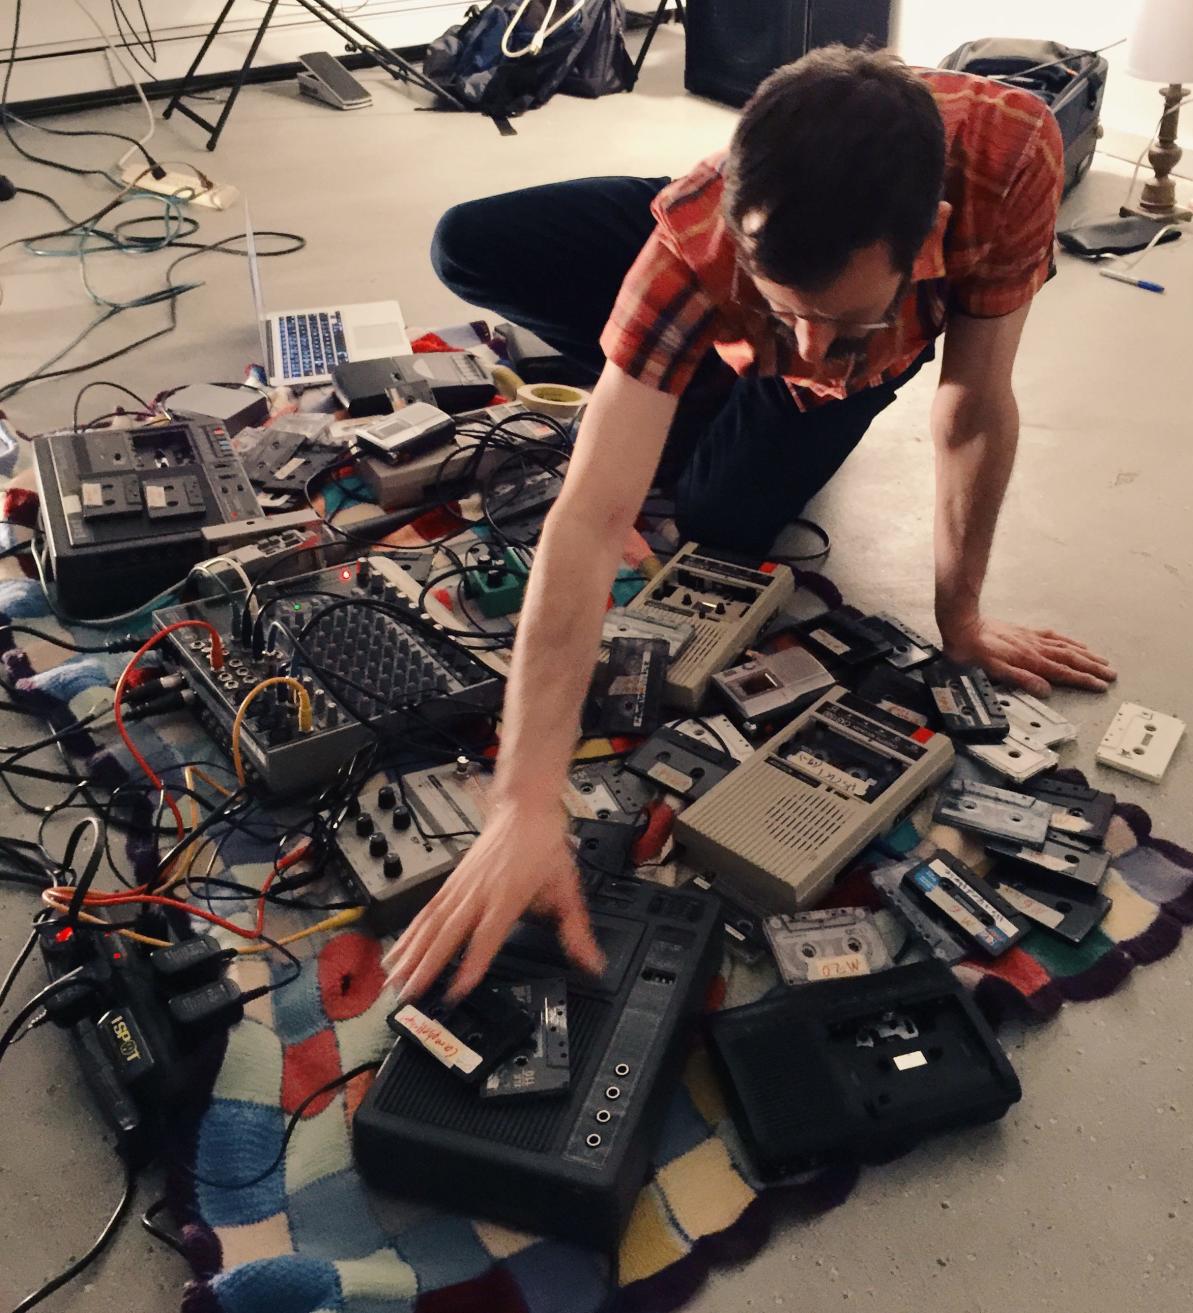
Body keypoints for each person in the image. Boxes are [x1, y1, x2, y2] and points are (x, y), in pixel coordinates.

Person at [384, 46, 1116, 1002]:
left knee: (717, 520)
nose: (808, 354)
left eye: (840, 325)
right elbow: (590, 518)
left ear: (928, 238)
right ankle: (665, 364)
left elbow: (972, 402)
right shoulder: (694, 239)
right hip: (740, 268)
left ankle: (680, 373)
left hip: (851, 301)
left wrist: (961, 618)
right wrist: (524, 800)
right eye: (787, 318)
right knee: (466, 243)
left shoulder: (1014, 158)